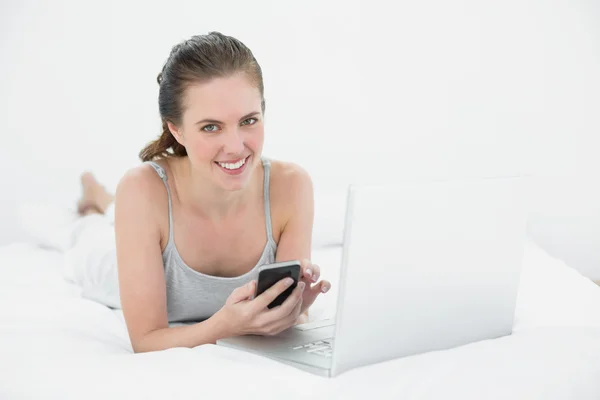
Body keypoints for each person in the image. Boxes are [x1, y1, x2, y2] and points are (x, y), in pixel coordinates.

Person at [70, 32, 331, 353]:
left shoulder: (292, 184)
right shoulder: (140, 189)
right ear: (175, 129)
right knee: (92, 231)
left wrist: (294, 311)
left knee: (120, 210)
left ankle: (105, 199)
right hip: (109, 265)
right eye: (211, 127)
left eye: (248, 120)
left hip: (150, 211)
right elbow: (146, 340)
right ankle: (95, 195)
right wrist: (227, 325)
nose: (236, 147)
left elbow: (282, 313)